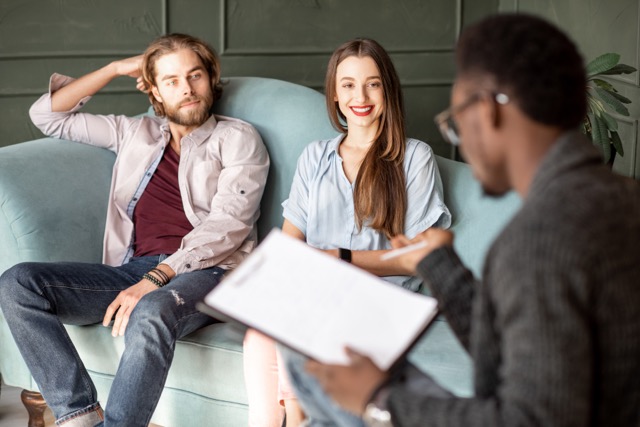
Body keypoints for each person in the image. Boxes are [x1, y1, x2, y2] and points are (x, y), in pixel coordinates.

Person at [284, 13, 640, 427]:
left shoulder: (538, 240)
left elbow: (530, 419)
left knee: (319, 378)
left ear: (487, 113)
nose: (462, 142)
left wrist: (380, 400)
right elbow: (525, 353)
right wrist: (443, 271)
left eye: (455, 124)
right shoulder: (621, 200)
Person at [0, 33, 269, 427]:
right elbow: (48, 116)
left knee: (152, 307)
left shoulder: (237, 138)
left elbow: (228, 224)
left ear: (211, 80)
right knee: (18, 283)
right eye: (172, 80)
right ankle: (79, 416)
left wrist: (158, 278)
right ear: (156, 92)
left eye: (195, 76)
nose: (188, 89)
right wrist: (115, 68)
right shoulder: (134, 132)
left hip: (214, 273)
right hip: (134, 269)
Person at [242, 38, 451, 426]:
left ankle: (298, 414)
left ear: (388, 90)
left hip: (383, 300)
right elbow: (289, 246)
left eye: (373, 83)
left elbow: (419, 260)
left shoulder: (414, 158)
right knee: (259, 336)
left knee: (296, 333)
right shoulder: (315, 156)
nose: (361, 96)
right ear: (335, 94)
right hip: (316, 293)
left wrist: (338, 259)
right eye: (349, 84)